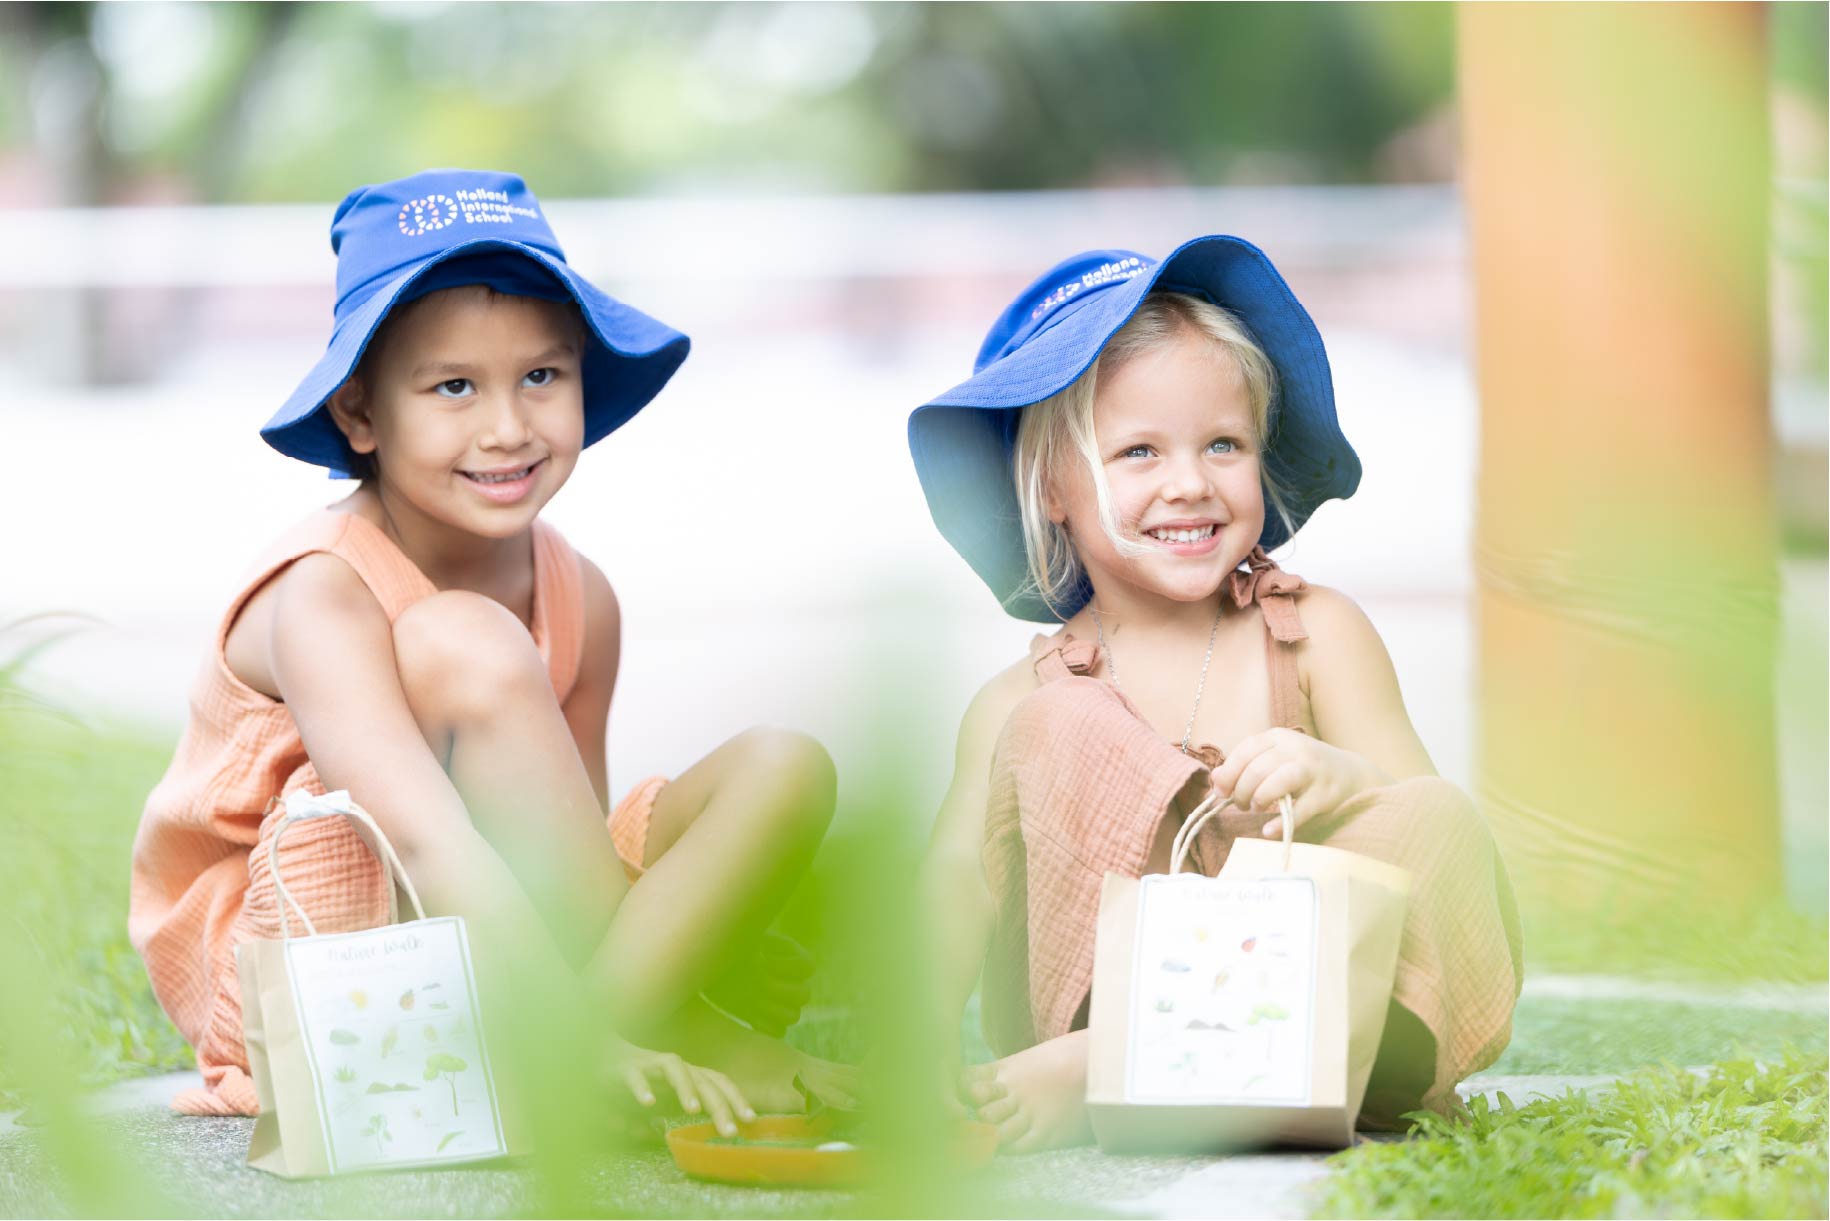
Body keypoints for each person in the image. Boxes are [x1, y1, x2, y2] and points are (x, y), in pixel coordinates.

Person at [129, 169, 854, 1133]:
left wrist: (691, 927)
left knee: (785, 763)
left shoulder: (578, 592)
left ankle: (591, 1044)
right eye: (455, 386)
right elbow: (423, 834)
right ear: (360, 415)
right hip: (320, 949)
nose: (507, 427)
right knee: (459, 637)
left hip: (504, 932)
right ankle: (615, 1047)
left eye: (541, 377)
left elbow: (566, 848)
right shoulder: (321, 593)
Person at [906, 239, 1522, 1152]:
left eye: (1222, 444)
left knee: (1436, 811)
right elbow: (958, 880)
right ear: (1052, 492)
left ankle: (1133, 1061)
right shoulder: (1019, 701)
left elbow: (1428, 839)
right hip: (1087, 1005)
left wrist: (1340, 775)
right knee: (1057, 723)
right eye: (1138, 451)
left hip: (1326, 1023)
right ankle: (1105, 1049)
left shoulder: (1317, 630)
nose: (1189, 482)